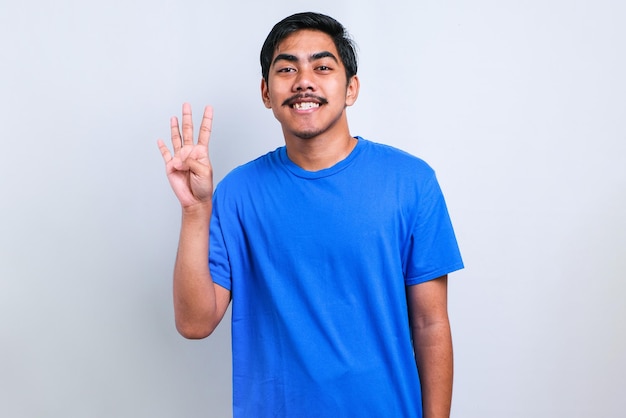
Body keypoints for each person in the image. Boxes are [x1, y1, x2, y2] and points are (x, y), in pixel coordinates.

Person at [157, 12, 463, 418]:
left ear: (351, 87)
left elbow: (431, 325)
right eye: (287, 69)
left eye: (322, 66)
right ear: (266, 93)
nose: (304, 80)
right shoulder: (237, 193)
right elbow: (195, 324)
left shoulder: (411, 182)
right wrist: (196, 211)